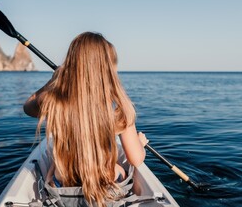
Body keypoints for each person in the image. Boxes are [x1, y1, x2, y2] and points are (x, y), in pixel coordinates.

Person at [24, 32, 149, 206]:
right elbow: (136, 159)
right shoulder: (121, 109)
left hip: (63, 186)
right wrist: (140, 144)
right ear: (109, 69)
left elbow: (28, 107)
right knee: (119, 164)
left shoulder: (55, 103)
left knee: (56, 162)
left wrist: (53, 81)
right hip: (109, 186)